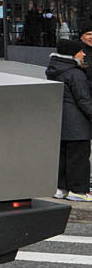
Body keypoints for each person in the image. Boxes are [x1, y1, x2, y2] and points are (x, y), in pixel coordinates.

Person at [46, 38, 92, 202]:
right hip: (77, 124)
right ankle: (79, 191)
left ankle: (62, 188)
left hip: (61, 122)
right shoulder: (75, 74)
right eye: (80, 51)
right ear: (71, 54)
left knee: (64, 157)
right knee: (78, 159)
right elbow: (84, 100)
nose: (83, 53)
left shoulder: (53, 70)